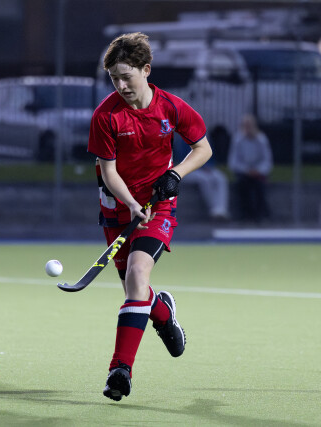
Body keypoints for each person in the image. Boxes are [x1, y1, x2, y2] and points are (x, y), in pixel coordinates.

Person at [88, 32, 212, 401]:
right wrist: (129, 203)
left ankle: (119, 370)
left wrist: (176, 174)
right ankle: (163, 313)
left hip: (159, 206)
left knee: (137, 273)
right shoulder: (106, 116)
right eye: (114, 78)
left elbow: (202, 148)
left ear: (146, 70)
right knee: (135, 288)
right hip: (118, 207)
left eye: (127, 76)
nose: (121, 85)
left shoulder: (171, 108)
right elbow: (109, 172)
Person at [227, 113, 273, 223]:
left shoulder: (262, 140)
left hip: (259, 172)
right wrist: (246, 170)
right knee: (242, 185)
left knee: (260, 186)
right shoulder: (237, 140)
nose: (248, 129)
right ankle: (245, 214)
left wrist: (258, 171)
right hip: (243, 172)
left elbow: (267, 160)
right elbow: (233, 162)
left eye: (250, 126)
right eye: (245, 126)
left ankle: (261, 215)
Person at [175, 137, 229, 221]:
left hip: (206, 168)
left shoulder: (204, 139)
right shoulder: (183, 140)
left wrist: (208, 167)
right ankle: (214, 210)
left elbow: (211, 156)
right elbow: (183, 159)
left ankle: (221, 209)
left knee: (220, 177)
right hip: (189, 170)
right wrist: (201, 167)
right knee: (205, 179)